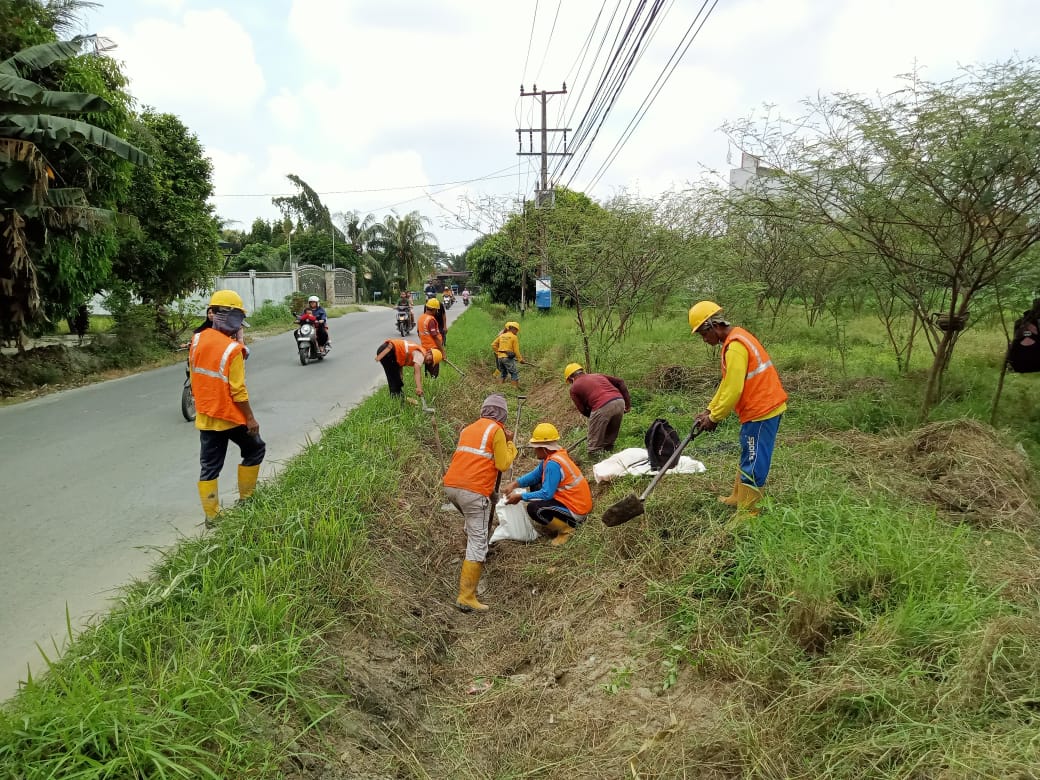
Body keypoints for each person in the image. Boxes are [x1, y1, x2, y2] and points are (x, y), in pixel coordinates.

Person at [689, 301, 787, 519]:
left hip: (762, 410)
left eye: (703, 335)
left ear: (712, 326)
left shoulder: (735, 347)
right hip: (757, 409)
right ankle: (737, 496)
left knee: (754, 458)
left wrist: (715, 418)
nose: (704, 340)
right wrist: (709, 409)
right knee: (748, 452)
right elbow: (727, 383)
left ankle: (749, 512)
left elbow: (734, 389)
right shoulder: (735, 339)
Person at [189, 290, 265, 525]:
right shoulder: (233, 350)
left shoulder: (197, 339)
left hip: (206, 414)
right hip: (229, 416)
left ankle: (212, 516)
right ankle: (247, 500)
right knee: (255, 449)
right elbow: (238, 391)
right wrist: (250, 419)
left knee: (210, 466)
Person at [443, 394, 518, 612]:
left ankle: (474, 541)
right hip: (474, 492)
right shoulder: (496, 431)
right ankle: (466, 596)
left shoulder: (469, 428)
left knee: (473, 519)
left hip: (452, 487)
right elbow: (503, 464)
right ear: (503, 415)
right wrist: (511, 444)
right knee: (478, 540)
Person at [504, 422, 592, 546]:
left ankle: (566, 530)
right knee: (535, 484)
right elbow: (535, 475)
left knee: (534, 509)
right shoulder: (554, 456)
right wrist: (515, 484)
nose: (534, 450)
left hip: (576, 510)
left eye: (536, 447)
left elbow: (546, 494)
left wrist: (521, 497)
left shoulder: (553, 464)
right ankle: (558, 521)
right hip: (573, 501)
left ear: (544, 448)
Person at [563, 363, 631, 459]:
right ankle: (609, 455)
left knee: (593, 446)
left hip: (602, 405)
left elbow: (582, 409)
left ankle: (593, 462)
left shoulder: (574, 388)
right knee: (609, 438)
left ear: (570, 378)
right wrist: (627, 405)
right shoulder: (597, 375)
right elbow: (620, 382)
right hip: (619, 401)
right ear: (582, 371)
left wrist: (595, 420)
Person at [374, 337, 442, 399]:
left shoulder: (420, 351)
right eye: (431, 359)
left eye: (431, 362)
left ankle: (397, 398)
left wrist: (400, 373)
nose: (429, 362)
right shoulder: (421, 355)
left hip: (385, 350)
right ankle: (398, 400)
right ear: (429, 352)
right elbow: (417, 372)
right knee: (395, 381)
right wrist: (419, 388)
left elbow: (401, 356)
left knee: (395, 379)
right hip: (388, 350)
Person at [417, 298, 445, 377]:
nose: (437, 312)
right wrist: (442, 352)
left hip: (425, 349)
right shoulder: (430, 320)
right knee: (434, 374)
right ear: (434, 309)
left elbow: (419, 333)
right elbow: (435, 337)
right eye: (436, 310)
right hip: (433, 350)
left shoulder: (421, 318)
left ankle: (428, 386)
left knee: (428, 372)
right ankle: (433, 387)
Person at [491, 321, 522, 387]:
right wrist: (520, 359)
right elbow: (516, 351)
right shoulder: (514, 337)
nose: (517, 332)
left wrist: (498, 353)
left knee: (503, 373)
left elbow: (493, 345)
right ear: (513, 329)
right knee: (514, 373)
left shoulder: (501, 336)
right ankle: (514, 389)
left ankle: (500, 387)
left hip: (500, 358)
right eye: (516, 330)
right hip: (507, 358)